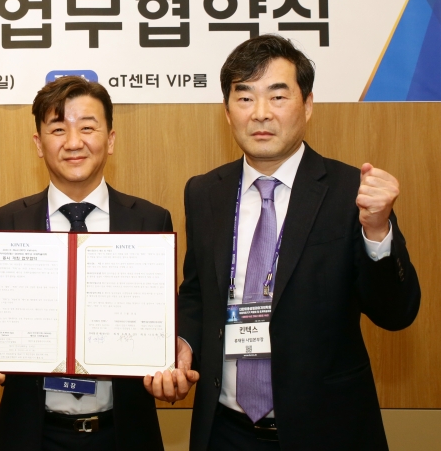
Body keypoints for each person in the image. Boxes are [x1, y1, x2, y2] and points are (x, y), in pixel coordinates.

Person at [168, 34, 420, 450]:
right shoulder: (204, 192)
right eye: (244, 98)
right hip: (225, 431)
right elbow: (197, 292)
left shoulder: (349, 192)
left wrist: (377, 231)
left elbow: (396, 313)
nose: (260, 113)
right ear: (227, 112)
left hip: (327, 429)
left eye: (278, 97)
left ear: (308, 105)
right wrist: (183, 343)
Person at [0, 76, 191, 451]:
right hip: (32, 434)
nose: (74, 142)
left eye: (88, 128)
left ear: (110, 140)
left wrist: (173, 357)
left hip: (123, 432)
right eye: (58, 129)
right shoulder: (7, 222)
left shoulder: (149, 221)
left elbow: (165, 317)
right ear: (39, 143)